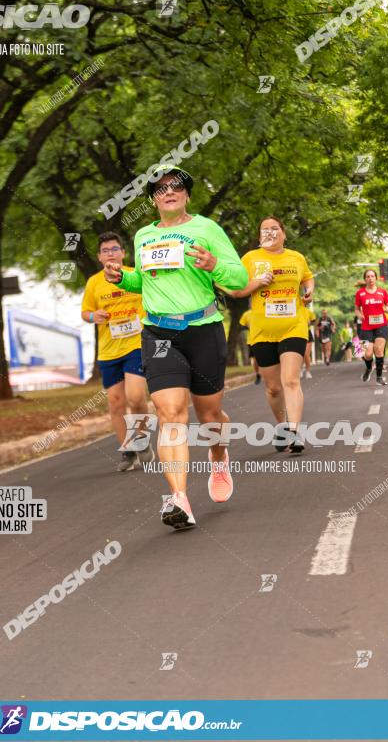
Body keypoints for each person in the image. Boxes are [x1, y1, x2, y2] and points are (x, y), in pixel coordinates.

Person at [103, 166, 248, 530]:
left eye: (176, 187)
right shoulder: (143, 236)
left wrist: (215, 265)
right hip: (158, 333)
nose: (169, 192)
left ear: (186, 194)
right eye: (161, 188)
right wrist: (124, 277)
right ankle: (179, 499)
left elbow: (239, 277)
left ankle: (219, 456)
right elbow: (145, 281)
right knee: (170, 414)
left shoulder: (207, 229)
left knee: (210, 416)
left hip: (203, 329)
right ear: (153, 199)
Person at [229, 216, 314, 453]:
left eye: (275, 228)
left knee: (291, 380)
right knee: (274, 388)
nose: (270, 232)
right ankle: (284, 427)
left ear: (284, 233)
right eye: (265, 230)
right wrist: (256, 283)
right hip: (263, 331)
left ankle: (295, 433)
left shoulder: (296, 257)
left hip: (293, 326)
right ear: (259, 237)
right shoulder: (250, 259)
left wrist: (309, 291)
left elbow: (307, 277)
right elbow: (236, 290)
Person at [81, 232, 153, 472]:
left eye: (114, 249)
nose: (110, 253)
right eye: (105, 250)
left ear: (123, 253)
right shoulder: (94, 283)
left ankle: (141, 438)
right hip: (109, 350)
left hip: (136, 344)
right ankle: (128, 449)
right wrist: (94, 316)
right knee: (115, 403)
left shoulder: (136, 274)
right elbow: (85, 312)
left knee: (136, 397)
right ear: (99, 257)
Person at [355, 268, 388, 386]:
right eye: (368, 276)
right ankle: (368, 368)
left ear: (376, 278)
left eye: (372, 276)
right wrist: (360, 315)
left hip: (381, 325)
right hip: (366, 327)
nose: (370, 278)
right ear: (365, 279)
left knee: (379, 350)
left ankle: (379, 377)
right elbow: (356, 309)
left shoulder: (382, 292)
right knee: (368, 354)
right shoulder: (360, 293)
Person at [239, 309, 261, 384]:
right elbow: (241, 326)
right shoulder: (247, 314)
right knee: (255, 359)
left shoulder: (266, 310)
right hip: (252, 340)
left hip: (267, 339)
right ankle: (258, 375)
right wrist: (250, 327)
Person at [302, 305, 316, 379]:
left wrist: (309, 323)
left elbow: (313, 321)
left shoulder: (308, 311)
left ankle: (308, 371)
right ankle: (300, 369)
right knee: (300, 354)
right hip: (297, 333)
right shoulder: (294, 311)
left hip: (307, 332)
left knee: (306, 354)